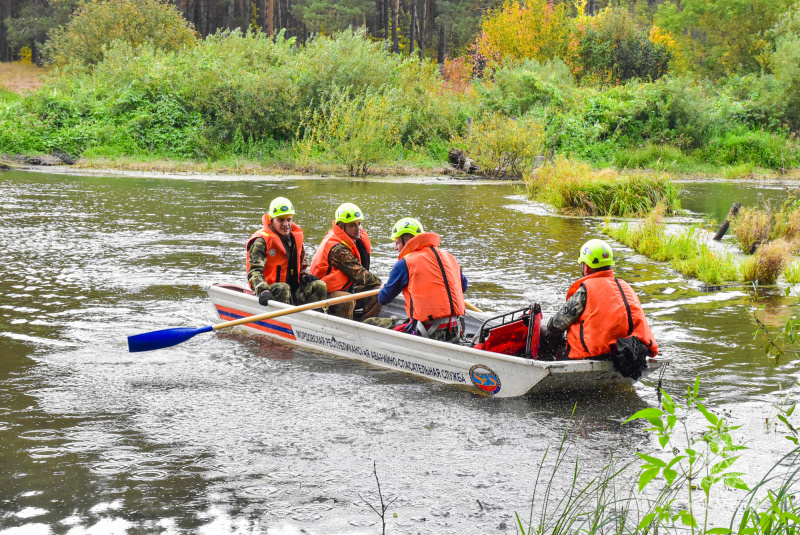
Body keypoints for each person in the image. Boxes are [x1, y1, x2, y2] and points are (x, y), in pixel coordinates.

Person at [539, 239, 658, 365]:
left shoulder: (585, 291)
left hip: (590, 355)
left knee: (545, 331)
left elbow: (556, 324)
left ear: (587, 267)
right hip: (625, 353)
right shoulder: (626, 287)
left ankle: (547, 370)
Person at [364, 217, 467, 343]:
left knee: (370, 323)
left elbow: (384, 298)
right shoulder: (448, 256)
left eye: (397, 242)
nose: (396, 248)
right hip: (456, 329)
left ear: (406, 241)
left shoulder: (405, 264)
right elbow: (463, 286)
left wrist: (383, 288)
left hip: (428, 332)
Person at [246, 197, 328, 307]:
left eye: (288, 220)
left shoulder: (294, 238)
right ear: (272, 220)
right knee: (283, 288)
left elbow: (301, 264)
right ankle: (283, 322)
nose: (286, 224)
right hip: (270, 291)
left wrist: (304, 276)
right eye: (280, 220)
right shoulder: (261, 241)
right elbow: (254, 271)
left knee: (319, 285)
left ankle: (313, 320)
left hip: (292, 289)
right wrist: (263, 290)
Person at [309, 202, 381, 320]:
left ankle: (367, 324)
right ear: (341, 226)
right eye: (353, 225)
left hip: (348, 288)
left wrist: (380, 286)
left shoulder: (351, 238)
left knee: (378, 292)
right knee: (347, 300)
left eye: (359, 224)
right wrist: (382, 283)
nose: (358, 228)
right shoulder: (337, 248)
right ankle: (342, 332)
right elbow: (359, 274)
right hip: (327, 293)